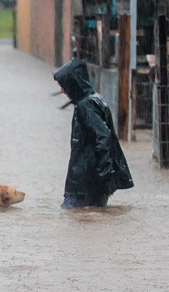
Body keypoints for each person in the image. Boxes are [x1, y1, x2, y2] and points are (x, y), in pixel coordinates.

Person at [53, 58, 133, 208]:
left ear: (72, 83)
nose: (62, 91)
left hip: (85, 184)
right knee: (90, 217)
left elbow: (103, 138)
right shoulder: (95, 99)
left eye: (63, 85)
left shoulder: (86, 105)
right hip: (92, 181)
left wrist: (105, 176)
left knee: (73, 215)